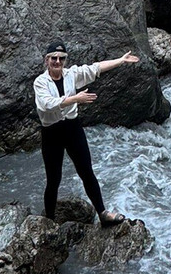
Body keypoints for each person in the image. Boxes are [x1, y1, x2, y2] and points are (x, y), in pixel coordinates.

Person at [33, 39, 139, 226]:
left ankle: (103, 213)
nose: (57, 62)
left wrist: (120, 60)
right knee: (53, 179)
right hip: (52, 133)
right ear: (46, 60)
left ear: (65, 60)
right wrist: (76, 98)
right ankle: (49, 222)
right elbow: (47, 104)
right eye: (53, 58)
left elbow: (96, 68)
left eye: (61, 58)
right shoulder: (40, 82)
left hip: (73, 129)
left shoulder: (71, 74)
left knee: (86, 172)